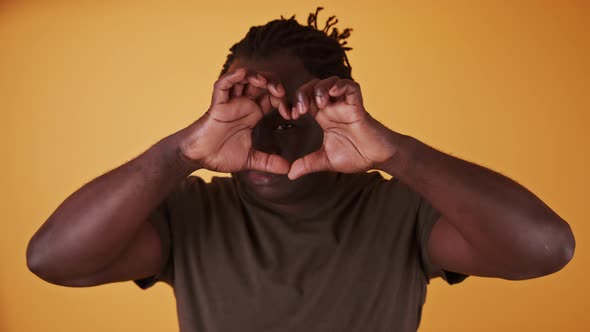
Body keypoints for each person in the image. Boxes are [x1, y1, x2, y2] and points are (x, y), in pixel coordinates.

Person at [26, 8, 575, 332]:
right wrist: (181, 153)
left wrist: (393, 152)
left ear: (333, 115)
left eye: (286, 112)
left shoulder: (399, 208)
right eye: (246, 111)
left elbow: (546, 248)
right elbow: (52, 259)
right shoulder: (191, 209)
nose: (261, 133)